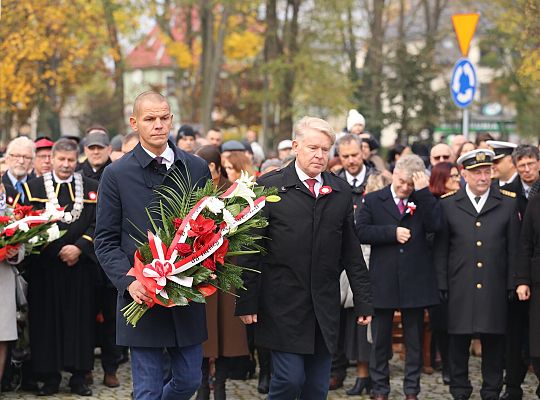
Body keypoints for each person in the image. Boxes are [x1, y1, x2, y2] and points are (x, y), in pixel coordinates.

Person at [235, 116, 373, 400]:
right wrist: (246, 300)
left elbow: (351, 250)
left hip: (323, 304)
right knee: (288, 380)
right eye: (313, 148)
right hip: (281, 304)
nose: (319, 155)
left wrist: (364, 299)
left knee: (315, 388)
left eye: (325, 149)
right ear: (296, 146)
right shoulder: (270, 187)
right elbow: (252, 249)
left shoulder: (339, 191)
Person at [94, 91, 211, 400]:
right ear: (135, 123)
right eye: (150, 119)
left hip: (185, 294)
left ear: (171, 118)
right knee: (147, 391)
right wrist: (128, 281)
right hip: (141, 297)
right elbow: (104, 240)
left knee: (188, 381)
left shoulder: (196, 167)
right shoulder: (115, 174)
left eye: (164, 118)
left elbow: (211, 231)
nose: (158, 125)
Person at [434, 149, 520, 400]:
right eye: (477, 172)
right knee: (458, 341)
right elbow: (441, 249)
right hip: (459, 284)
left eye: (487, 171)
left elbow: (513, 248)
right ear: (464, 174)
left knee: (494, 341)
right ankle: (460, 390)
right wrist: (441, 283)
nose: (483, 177)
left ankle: (491, 391)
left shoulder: (507, 202)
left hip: (495, 284)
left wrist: (513, 283)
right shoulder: (449, 203)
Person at [357, 154, 442, 400]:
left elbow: (436, 225)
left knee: (414, 341)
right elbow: (360, 230)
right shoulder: (374, 200)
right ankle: (380, 388)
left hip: (415, 280)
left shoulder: (423, 200)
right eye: (402, 182)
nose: (405, 188)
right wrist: (390, 233)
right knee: (380, 340)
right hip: (383, 280)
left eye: (411, 185)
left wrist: (424, 193)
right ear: (394, 175)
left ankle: (411, 389)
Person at [23, 138, 100, 396]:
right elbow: (29, 223)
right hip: (46, 268)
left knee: (81, 321)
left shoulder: (91, 188)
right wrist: (57, 250)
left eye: (71, 160)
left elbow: (98, 223)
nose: (66, 165)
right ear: (52, 159)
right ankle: (49, 377)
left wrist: (79, 247)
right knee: (46, 322)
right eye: (61, 160)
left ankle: (79, 377)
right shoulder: (34, 187)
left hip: (80, 268)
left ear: (77, 160)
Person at [193, 145, 250, 400]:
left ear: (217, 167)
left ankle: (222, 384)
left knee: (226, 333)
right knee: (202, 334)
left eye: (208, 168)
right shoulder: (193, 192)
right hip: (199, 273)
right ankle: (203, 384)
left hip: (227, 272)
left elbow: (242, 234)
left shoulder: (234, 193)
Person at [77, 129, 120, 388]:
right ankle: (85, 368)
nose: (95, 152)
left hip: (110, 260)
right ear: (85, 150)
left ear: (107, 150)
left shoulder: (116, 172)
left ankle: (111, 367)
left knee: (112, 320)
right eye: (91, 148)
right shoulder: (77, 175)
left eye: (99, 148)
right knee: (85, 317)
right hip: (86, 261)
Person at [341, 172, 391, 396]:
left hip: (382, 272)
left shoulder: (393, 209)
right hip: (363, 268)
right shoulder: (362, 208)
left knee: (378, 330)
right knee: (359, 329)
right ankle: (362, 376)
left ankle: (377, 377)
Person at [500, 145, 540, 400]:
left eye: (531, 164)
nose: (527, 170)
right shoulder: (507, 193)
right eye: (521, 165)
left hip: (536, 272)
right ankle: (512, 385)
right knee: (514, 333)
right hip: (515, 272)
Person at [427, 161, 461, 385]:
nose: (459, 180)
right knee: (442, 324)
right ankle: (447, 364)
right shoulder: (436, 205)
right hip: (437, 273)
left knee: (457, 324)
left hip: (459, 272)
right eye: (454, 177)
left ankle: (454, 365)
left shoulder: (460, 203)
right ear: (442, 180)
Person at [515, 193, 540, 400]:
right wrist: (522, 280)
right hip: (538, 283)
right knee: (537, 348)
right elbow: (525, 244)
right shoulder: (536, 201)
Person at [2, 137, 35, 207]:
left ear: (32, 162)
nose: (21, 161)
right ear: (7, 159)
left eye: (26, 157)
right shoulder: (1, 184)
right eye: (17, 156)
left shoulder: (37, 185)